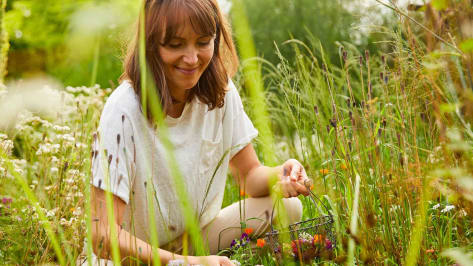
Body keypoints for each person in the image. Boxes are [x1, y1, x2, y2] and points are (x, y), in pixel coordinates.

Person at [85, 0, 311, 265]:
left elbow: (249, 176)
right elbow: (102, 237)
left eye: (203, 42)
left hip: (191, 243)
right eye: (175, 44)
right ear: (150, 44)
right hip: (132, 257)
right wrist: (188, 263)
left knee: (288, 207)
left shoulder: (220, 92)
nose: (192, 59)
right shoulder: (123, 110)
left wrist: (280, 174)